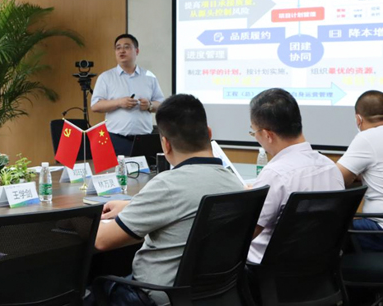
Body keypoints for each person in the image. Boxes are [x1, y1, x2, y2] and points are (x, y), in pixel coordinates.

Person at [90, 94, 244, 306]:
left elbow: (101, 240)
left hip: (159, 294)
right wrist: (133, 206)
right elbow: (187, 205)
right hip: (215, 292)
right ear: (209, 134)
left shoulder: (167, 185)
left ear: (165, 144)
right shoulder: (234, 182)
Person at [248, 88, 344, 263]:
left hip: (266, 271)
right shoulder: (331, 167)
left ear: (268, 135)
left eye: (254, 132)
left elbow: (246, 233)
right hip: (319, 268)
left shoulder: (274, 174)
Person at [91, 34, 165, 156]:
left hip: (144, 138)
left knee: (146, 168)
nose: (121, 51)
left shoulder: (149, 76)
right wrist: (119, 103)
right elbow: (95, 106)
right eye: (118, 48)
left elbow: (162, 105)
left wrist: (149, 105)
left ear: (137, 51)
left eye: (126, 47)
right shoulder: (106, 77)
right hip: (116, 138)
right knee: (117, 169)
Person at [337, 90, 383, 251]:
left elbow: (337, 178)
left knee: (325, 231)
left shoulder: (368, 137)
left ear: (359, 119)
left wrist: (356, 173)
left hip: (378, 228)